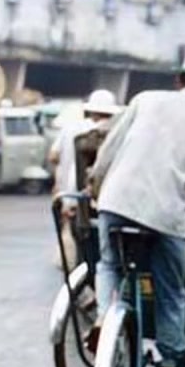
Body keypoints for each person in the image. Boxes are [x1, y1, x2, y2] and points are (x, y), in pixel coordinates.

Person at [88, 50, 185, 367]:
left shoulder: (144, 100)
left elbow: (108, 151)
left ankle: (105, 318)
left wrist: (95, 186)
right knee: (172, 291)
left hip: (116, 201)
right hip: (165, 214)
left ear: (179, 81)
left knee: (109, 266)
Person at [51, 90, 121, 269]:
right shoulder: (117, 132)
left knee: (83, 249)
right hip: (108, 203)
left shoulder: (73, 129)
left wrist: (65, 196)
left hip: (75, 197)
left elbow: (55, 157)